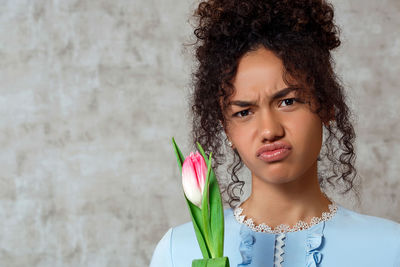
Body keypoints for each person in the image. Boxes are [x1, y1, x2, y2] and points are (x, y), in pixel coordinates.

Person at [150, 0, 400, 266]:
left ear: (326, 106)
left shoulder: (390, 247)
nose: (269, 130)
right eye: (244, 112)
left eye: (288, 101)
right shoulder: (178, 251)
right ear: (227, 130)